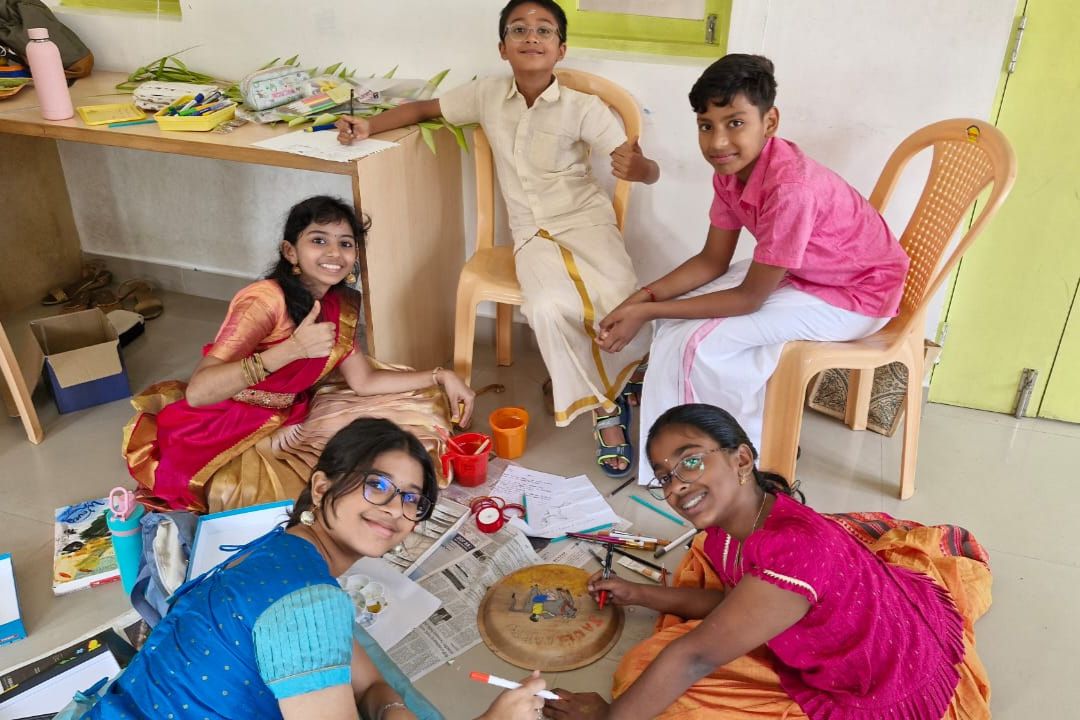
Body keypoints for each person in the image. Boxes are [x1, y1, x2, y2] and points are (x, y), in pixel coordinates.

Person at [336, 0, 660, 478]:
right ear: (503, 47)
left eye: (544, 30)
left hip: (588, 223)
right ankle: (607, 410)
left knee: (620, 299)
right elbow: (425, 108)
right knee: (546, 307)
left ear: (561, 49)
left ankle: (622, 375)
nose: (532, 37)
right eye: (519, 29)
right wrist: (369, 125)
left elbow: (643, 167)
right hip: (532, 235)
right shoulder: (486, 94)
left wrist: (640, 169)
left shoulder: (583, 107)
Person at [543, 404, 992, 719]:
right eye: (665, 477)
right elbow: (737, 602)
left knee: (655, 685)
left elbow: (694, 658)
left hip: (881, 680)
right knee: (650, 672)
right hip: (844, 627)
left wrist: (608, 719)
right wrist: (639, 594)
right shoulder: (728, 527)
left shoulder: (793, 550)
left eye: (691, 462)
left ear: (741, 459)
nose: (676, 486)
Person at [87, 418, 548, 719]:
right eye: (377, 485)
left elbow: (370, 682)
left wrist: (390, 709)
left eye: (413, 499)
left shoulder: (281, 550)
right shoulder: (311, 604)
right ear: (323, 486)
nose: (395, 508)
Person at [594, 54, 910, 463]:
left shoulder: (791, 188)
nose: (718, 142)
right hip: (811, 272)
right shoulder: (730, 172)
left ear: (770, 122)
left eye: (735, 123)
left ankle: (711, 460)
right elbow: (712, 260)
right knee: (675, 321)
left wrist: (647, 311)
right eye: (706, 126)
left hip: (857, 295)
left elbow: (749, 299)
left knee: (700, 344)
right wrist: (641, 299)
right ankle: (747, 435)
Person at [123, 195, 475, 513]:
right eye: (319, 240)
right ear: (290, 252)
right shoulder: (264, 301)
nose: (334, 253)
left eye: (345, 243)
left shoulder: (338, 302)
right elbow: (199, 392)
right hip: (225, 422)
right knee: (313, 499)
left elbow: (364, 381)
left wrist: (440, 375)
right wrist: (290, 351)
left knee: (421, 416)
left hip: (292, 413)